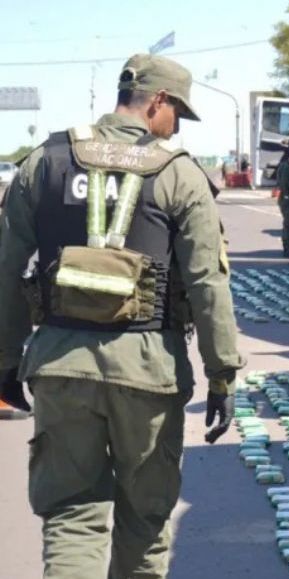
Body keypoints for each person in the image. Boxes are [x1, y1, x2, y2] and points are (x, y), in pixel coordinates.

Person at [0, 53, 245, 578]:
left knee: (71, 516)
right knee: (146, 519)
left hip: (60, 364)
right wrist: (222, 375)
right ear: (156, 101)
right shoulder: (180, 174)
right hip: (147, 371)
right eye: (176, 110)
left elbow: (7, 268)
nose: (175, 124)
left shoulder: (43, 162)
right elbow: (207, 283)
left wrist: (5, 360)